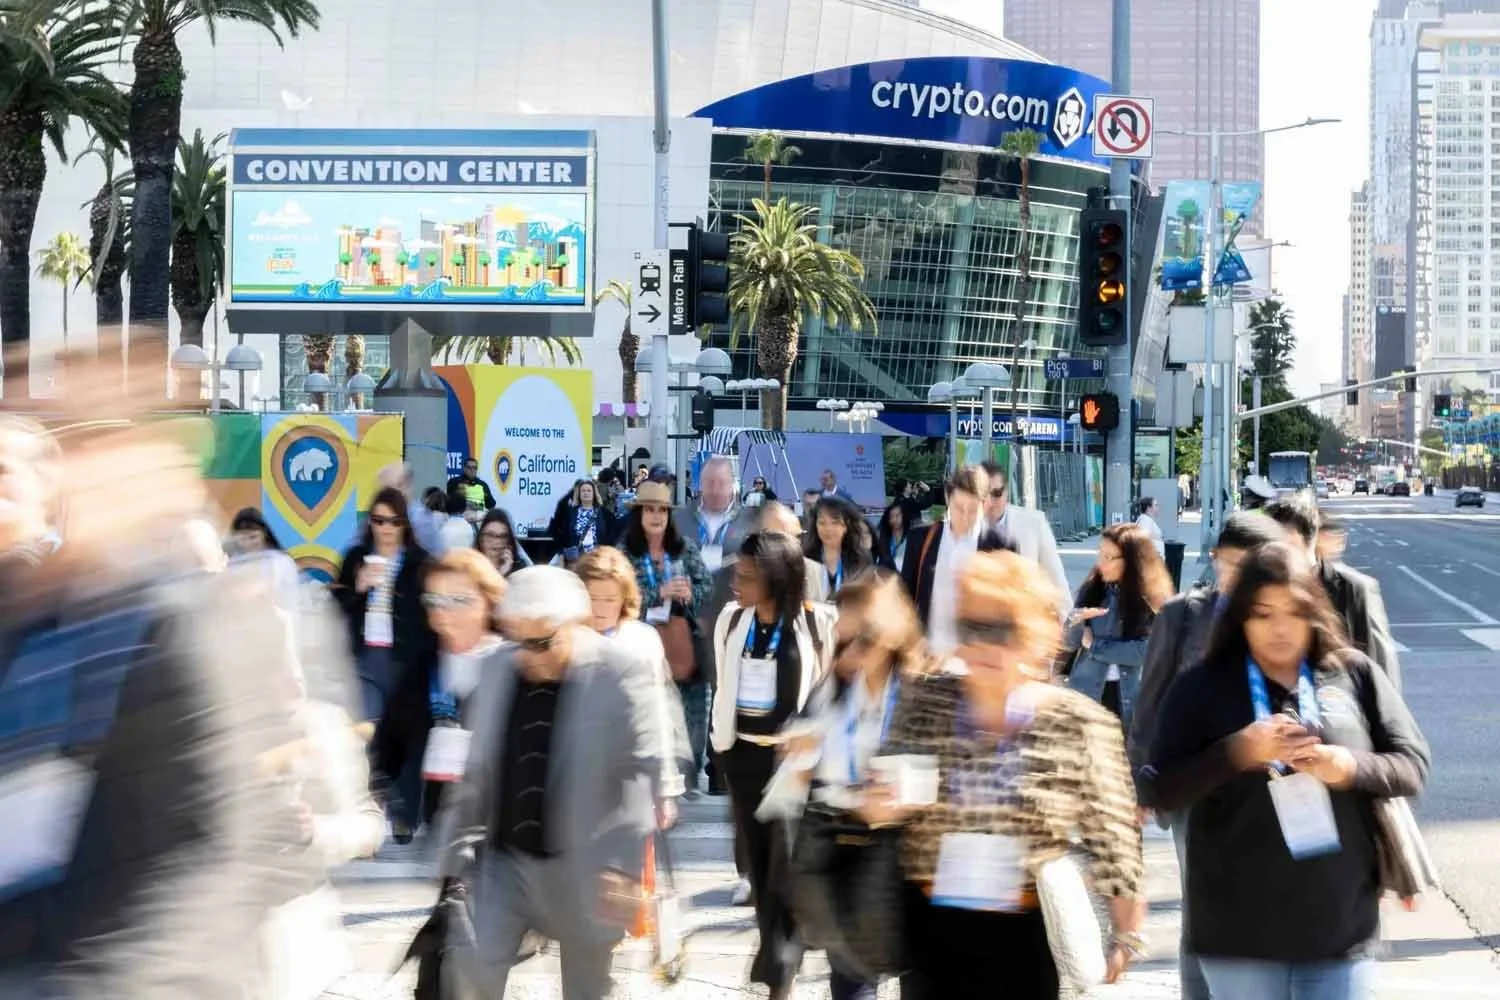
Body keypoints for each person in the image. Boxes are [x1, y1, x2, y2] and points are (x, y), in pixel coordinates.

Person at [1142, 542, 1430, 1000]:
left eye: (1292, 612)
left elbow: (1411, 764)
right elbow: (1160, 788)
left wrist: (1349, 766)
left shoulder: (1350, 673)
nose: (1279, 629)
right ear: (1240, 619)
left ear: (1313, 611)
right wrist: (1235, 753)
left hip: (1339, 928)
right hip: (1238, 936)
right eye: (1262, 614)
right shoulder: (1202, 686)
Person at [875, 549, 1147, 999]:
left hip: (1028, 935)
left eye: (999, 629)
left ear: (1034, 636)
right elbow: (888, 791)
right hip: (932, 929)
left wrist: (1125, 936)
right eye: (971, 628)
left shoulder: (1078, 722)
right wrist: (878, 804)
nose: (982, 645)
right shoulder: (925, 701)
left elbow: (1113, 836)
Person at [436, 567, 666, 1000]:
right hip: (505, 863)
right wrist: (451, 859)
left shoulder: (620, 673)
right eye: (520, 640)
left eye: (543, 641)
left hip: (586, 866)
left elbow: (639, 769)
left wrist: (622, 865)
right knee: (470, 975)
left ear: (574, 625)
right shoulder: (496, 668)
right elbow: (475, 770)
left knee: (585, 990)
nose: (531, 655)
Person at [1131, 511, 1286, 1000]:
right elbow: (1149, 702)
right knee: (1203, 908)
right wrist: (1140, 781)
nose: (1230, 577)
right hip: (1196, 787)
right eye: (1225, 564)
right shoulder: (1183, 614)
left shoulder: (1283, 621)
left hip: (1271, 789)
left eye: (1244, 567)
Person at [710, 530, 837, 999]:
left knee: (785, 869)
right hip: (743, 757)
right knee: (760, 870)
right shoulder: (731, 621)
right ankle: (776, 962)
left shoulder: (816, 624)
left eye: (747, 575)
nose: (736, 583)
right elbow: (722, 688)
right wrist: (719, 752)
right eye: (736, 574)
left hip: (791, 765)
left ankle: (780, 972)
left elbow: (829, 691)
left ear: (776, 577)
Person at [795, 573, 920, 1000]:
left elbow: (943, 770)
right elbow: (809, 765)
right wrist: (800, 760)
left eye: (862, 637)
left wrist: (899, 794)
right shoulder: (832, 688)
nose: (851, 651)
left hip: (908, 857)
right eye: (843, 637)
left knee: (915, 972)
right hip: (846, 850)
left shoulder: (921, 688)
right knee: (850, 978)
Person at [372, 548, 506, 835]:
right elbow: (390, 740)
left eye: (459, 600)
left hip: (503, 827)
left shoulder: (513, 664)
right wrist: (376, 792)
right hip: (442, 824)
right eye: (434, 601)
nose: (444, 613)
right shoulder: (423, 667)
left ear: (489, 601)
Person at [333, 487, 438, 839]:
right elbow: (337, 612)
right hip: (366, 657)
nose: (386, 528)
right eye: (378, 520)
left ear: (405, 523)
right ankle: (372, 809)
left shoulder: (419, 562)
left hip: (406, 662)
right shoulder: (356, 558)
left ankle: (405, 812)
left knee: (407, 738)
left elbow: (429, 615)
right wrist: (358, 589)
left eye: (393, 521)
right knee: (368, 734)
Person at [574, 547, 691, 822]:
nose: (600, 609)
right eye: (592, 599)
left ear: (624, 599)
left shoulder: (642, 640)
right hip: (576, 777)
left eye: (609, 599)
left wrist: (665, 789)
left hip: (629, 774)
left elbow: (659, 716)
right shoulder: (567, 640)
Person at [620, 480, 714, 797]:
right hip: (642, 641)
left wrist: (691, 594)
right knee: (649, 710)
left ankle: (688, 774)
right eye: (650, 509)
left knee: (692, 710)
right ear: (639, 514)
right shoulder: (624, 552)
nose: (657, 516)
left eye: (662, 510)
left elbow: (706, 588)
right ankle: (651, 774)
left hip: (682, 638)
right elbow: (619, 596)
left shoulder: (684, 547)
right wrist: (657, 593)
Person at [1263, 494, 1400, 689]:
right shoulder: (1262, 591)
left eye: (1288, 545)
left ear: (1309, 540)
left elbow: (1382, 671)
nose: (1280, 554)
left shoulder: (1355, 589)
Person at [1065, 523, 1172, 730]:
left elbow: (1145, 651)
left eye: (1109, 557)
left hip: (1130, 698)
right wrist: (1076, 621)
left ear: (1131, 561)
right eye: (1100, 554)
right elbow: (1069, 643)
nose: (1101, 563)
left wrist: (1095, 646)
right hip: (1087, 694)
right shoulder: (1093, 588)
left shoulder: (1151, 599)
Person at [899, 466, 1014, 653]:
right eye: (959, 508)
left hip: (974, 661)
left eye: (973, 509)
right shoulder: (921, 539)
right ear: (947, 498)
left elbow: (1006, 610)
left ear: (985, 504)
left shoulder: (1000, 546)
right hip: (928, 659)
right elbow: (905, 598)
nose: (965, 517)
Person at [979, 461, 1070, 620]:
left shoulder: (1034, 522)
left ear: (1007, 492)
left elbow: (1055, 576)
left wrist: (1067, 622)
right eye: (982, 495)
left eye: (996, 493)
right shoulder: (962, 527)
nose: (990, 502)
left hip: (1025, 622)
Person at [675, 455, 756, 572]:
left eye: (722, 483)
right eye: (710, 483)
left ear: (732, 483)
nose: (715, 490)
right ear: (701, 484)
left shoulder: (750, 521)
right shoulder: (678, 519)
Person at [805, 494, 874, 598]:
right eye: (822, 522)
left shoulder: (860, 558)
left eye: (835, 523)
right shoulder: (806, 557)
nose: (828, 529)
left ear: (846, 525)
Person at [549, 479, 614, 565]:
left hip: (597, 558)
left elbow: (611, 534)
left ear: (594, 494)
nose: (586, 493)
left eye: (589, 491)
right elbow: (562, 534)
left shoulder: (604, 513)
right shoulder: (570, 513)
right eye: (583, 491)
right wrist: (562, 551)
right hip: (576, 559)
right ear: (578, 494)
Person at [474, 507, 529, 577]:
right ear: (481, 538)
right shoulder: (470, 567)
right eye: (490, 535)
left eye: (503, 536)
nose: (497, 541)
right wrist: (500, 574)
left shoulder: (520, 568)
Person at [875, 499, 917, 572]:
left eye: (897, 515)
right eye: (892, 516)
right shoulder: (883, 538)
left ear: (904, 515)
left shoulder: (912, 537)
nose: (895, 519)